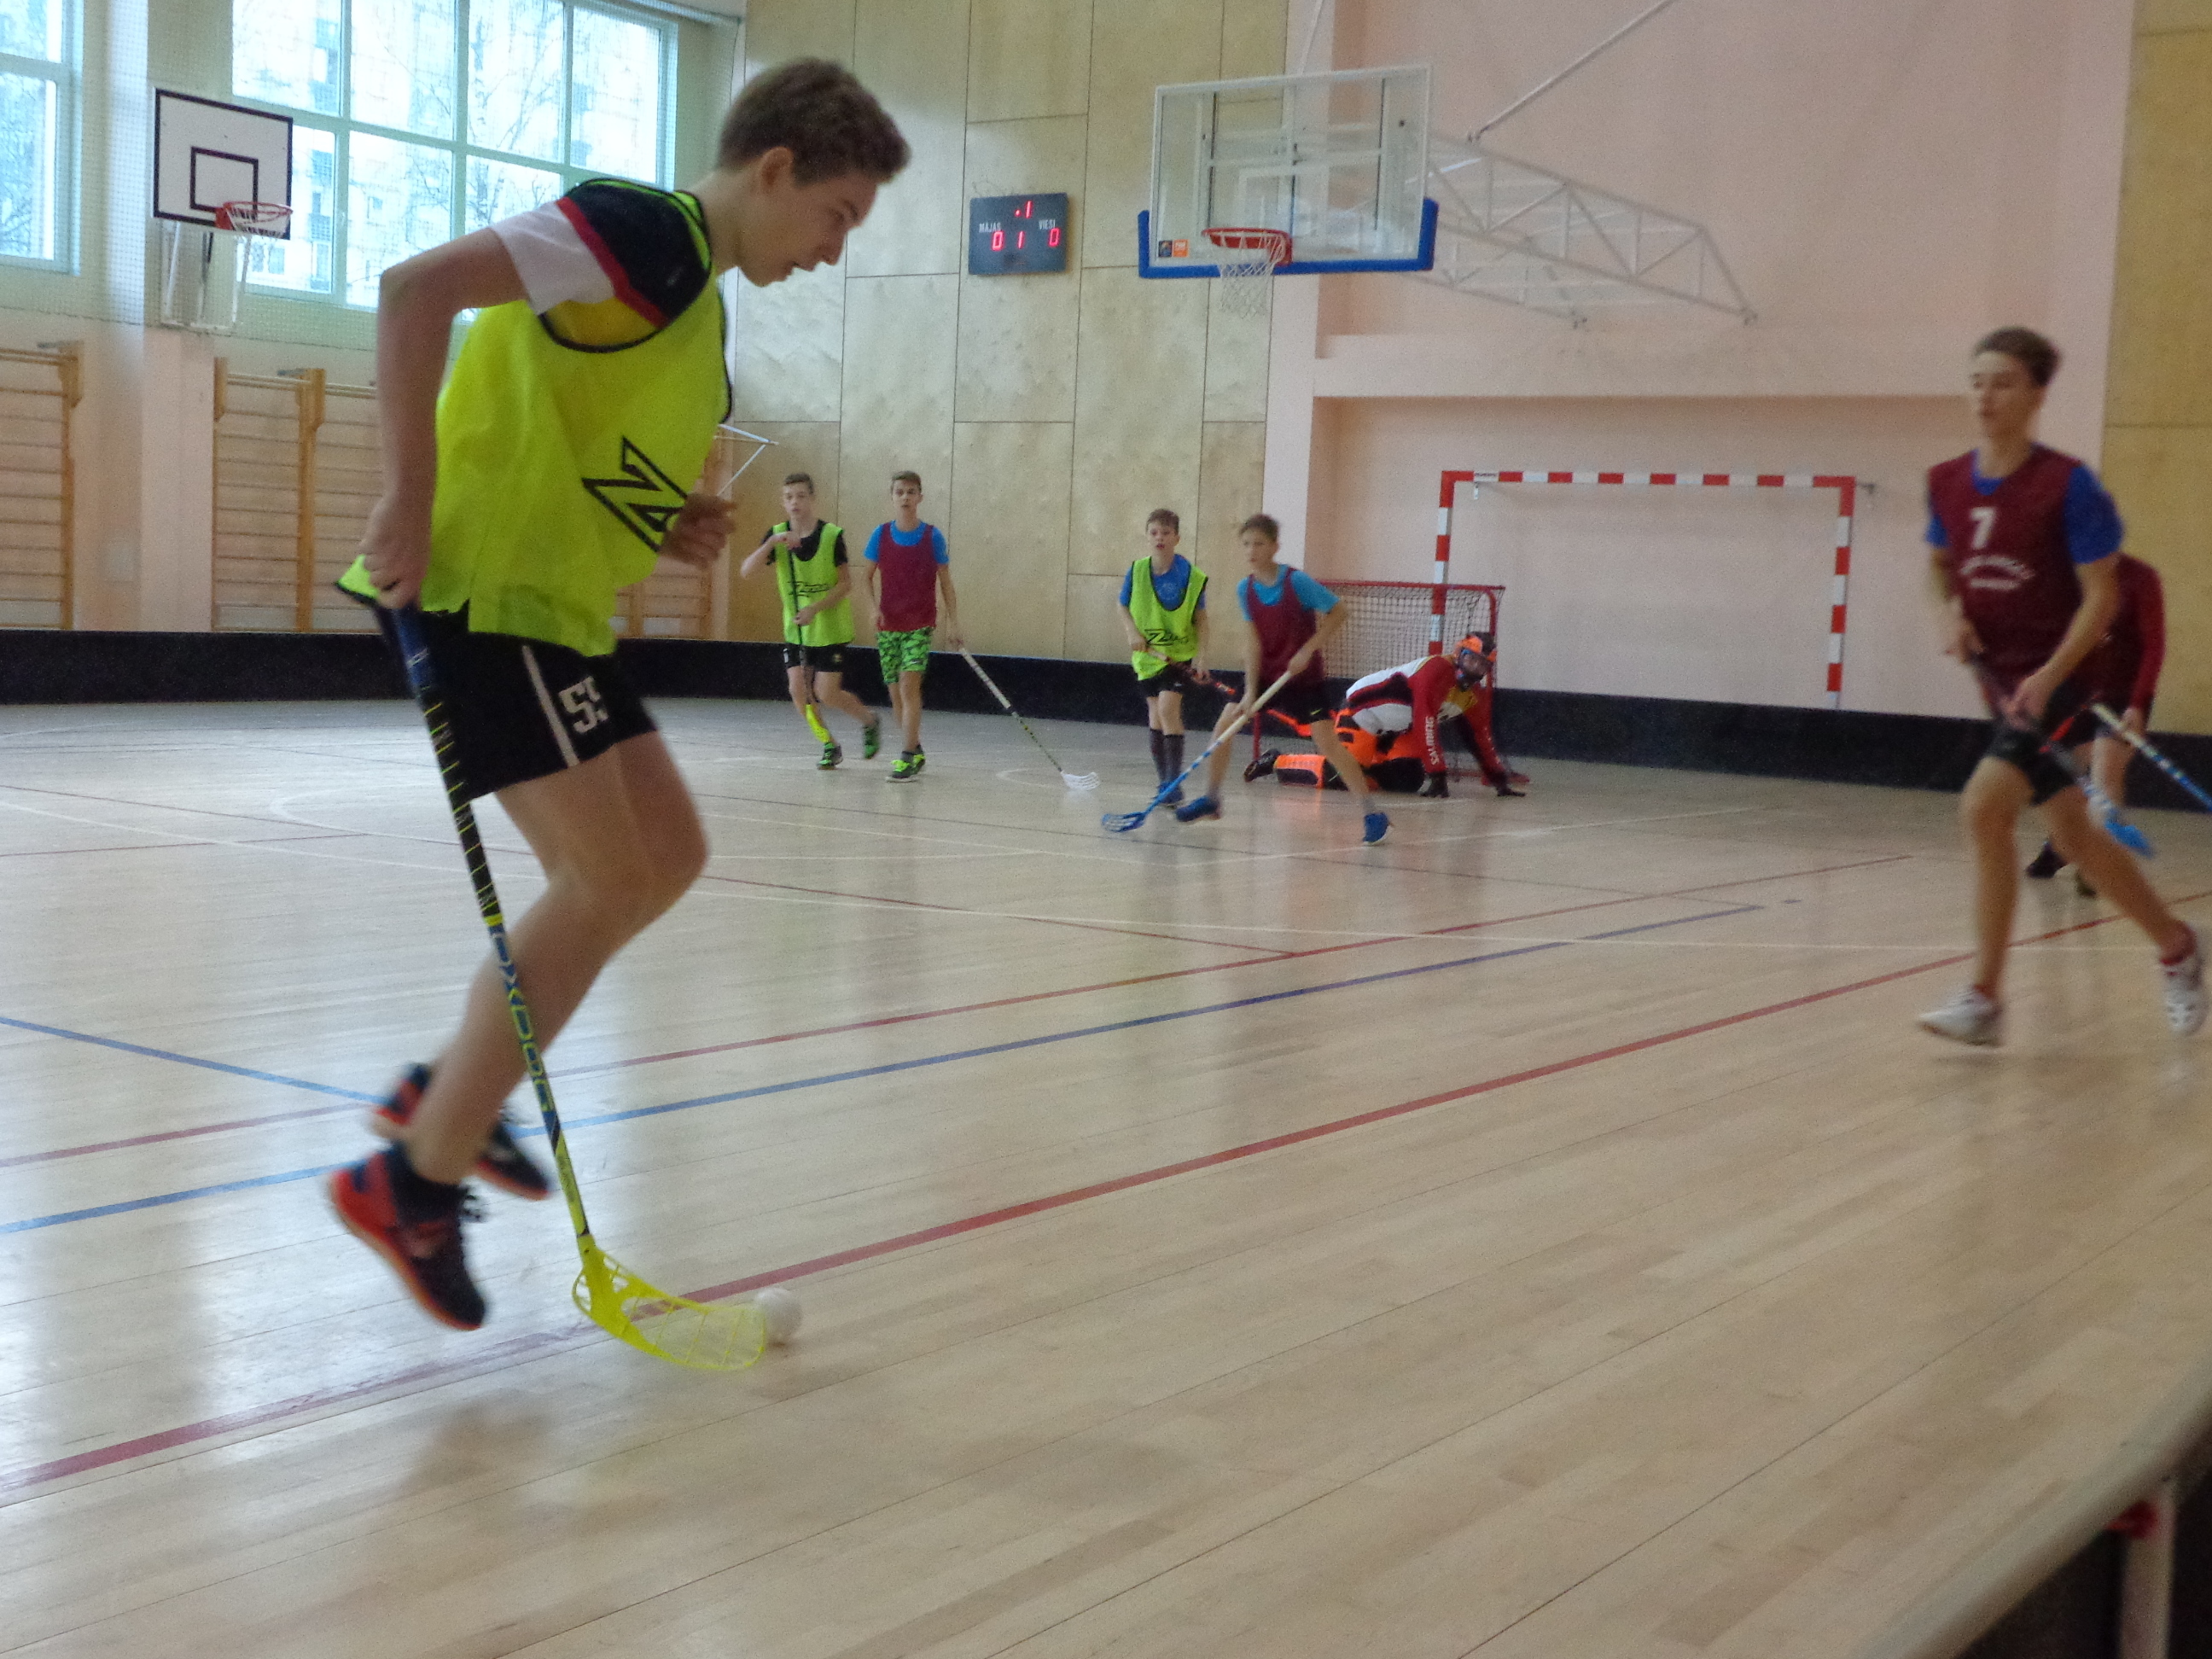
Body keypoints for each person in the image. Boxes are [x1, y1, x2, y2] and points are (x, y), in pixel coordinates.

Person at [328, 59, 909, 1330]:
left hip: (556, 615)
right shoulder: (643, 234)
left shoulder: (696, 311)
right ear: (775, 171)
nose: (833, 249)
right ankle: (410, 1180)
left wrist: (666, 520)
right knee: (604, 880)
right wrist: (408, 493)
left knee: (666, 857)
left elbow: (571, 429)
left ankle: (453, 1089)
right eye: (836, 216)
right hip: (483, 595)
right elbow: (415, 290)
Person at [1917, 326, 2203, 1047]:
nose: (1986, 396)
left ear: (2037, 394)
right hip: (2001, 688)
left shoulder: (2068, 486)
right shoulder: (1945, 481)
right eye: (1977, 381)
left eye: (2003, 382)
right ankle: (2177, 946)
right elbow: (1937, 567)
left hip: (2065, 686)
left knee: (1983, 809)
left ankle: (1984, 997)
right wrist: (1947, 612)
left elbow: (2102, 595)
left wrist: (2050, 676)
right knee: (2075, 837)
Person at [1175, 515, 1389, 845]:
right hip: (1265, 674)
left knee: (1327, 744)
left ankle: (1372, 812)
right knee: (1224, 727)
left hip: (1304, 678)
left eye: (1259, 544)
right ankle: (1212, 799)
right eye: (1246, 544)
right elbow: (1252, 641)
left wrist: (1308, 649)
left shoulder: (1296, 582)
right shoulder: (1245, 589)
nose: (1252, 551)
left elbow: (1339, 612)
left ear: (1275, 547)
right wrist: (1250, 690)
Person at [2023, 550, 2165, 894]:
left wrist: (2137, 705)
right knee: (2062, 773)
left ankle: (2097, 866)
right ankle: (2061, 845)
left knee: (2105, 773)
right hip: (2077, 692)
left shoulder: (2140, 577)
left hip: (2123, 696)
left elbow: (2153, 645)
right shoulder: (2067, 576)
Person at [1260, 634, 1528, 797]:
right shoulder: (1436, 670)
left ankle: (1365, 767)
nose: (1474, 667)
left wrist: (1498, 779)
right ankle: (1278, 761)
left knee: (1407, 781)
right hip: (1362, 715)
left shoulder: (1475, 695)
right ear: (1459, 655)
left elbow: (1480, 736)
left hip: (1399, 730)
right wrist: (1438, 774)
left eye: (1482, 665)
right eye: (1471, 659)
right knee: (1338, 776)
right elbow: (1425, 721)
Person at [740, 472, 882, 769]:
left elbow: (845, 584)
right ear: (783, 502)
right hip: (797, 630)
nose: (795, 502)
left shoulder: (831, 535)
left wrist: (815, 609)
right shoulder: (777, 534)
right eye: (789, 497)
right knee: (798, 691)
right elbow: (746, 571)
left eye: (801, 496)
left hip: (829, 627)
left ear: (812, 499)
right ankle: (829, 744)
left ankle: (869, 720)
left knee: (826, 693)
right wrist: (772, 543)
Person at [862, 469, 960, 779]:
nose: (905, 497)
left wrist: (953, 623)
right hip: (888, 625)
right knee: (895, 693)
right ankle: (915, 749)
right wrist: (873, 608)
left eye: (911, 492)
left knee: (908, 685)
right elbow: (865, 577)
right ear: (892, 497)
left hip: (919, 623)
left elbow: (946, 582)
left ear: (920, 497)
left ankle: (906, 755)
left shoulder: (933, 537)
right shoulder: (880, 535)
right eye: (899, 492)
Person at [1118, 507, 1211, 801]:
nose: (1160, 538)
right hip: (1147, 657)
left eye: (1166, 533)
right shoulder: (1136, 571)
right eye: (1154, 532)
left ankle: (1173, 783)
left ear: (1177, 538)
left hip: (1179, 655)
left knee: (1168, 709)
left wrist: (1202, 658)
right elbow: (1122, 605)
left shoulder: (1190, 576)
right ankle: (1164, 784)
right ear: (1147, 536)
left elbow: (1202, 620)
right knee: (1155, 714)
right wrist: (1132, 632)